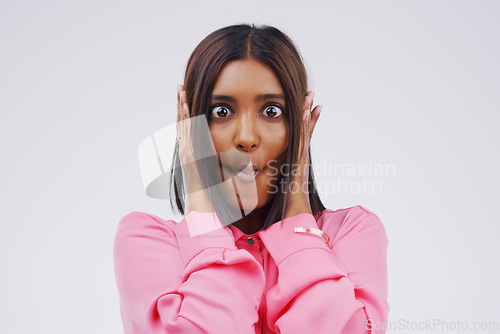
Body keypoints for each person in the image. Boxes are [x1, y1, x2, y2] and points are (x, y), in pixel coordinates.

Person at [113, 23, 389, 334]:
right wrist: (202, 216)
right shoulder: (147, 240)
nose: (246, 138)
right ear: (190, 125)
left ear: (300, 122)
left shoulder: (352, 233)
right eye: (221, 111)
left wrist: (297, 218)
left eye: (272, 111)